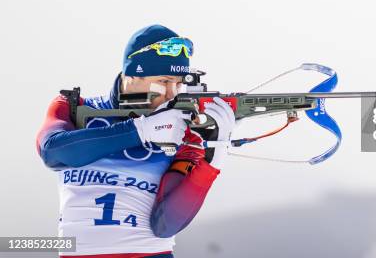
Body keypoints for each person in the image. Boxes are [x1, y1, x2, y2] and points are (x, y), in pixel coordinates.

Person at [36, 24, 236, 258]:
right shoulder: (74, 107)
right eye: (163, 81)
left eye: (179, 83)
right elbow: (53, 153)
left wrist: (211, 160)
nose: (172, 94)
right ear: (132, 74)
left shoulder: (183, 132)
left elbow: (165, 225)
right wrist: (139, 131)